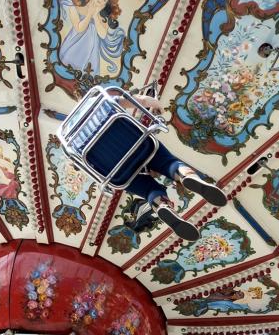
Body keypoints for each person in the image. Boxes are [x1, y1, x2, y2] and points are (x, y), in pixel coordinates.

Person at [95, 92, 226, 242]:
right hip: (138, 145)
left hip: (114, 170)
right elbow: (143, 101)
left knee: (148, 189)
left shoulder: (69, 136)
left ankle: (162, 205)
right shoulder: (101, 101)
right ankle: (187, 177)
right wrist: (156, 105)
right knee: (168, 163)